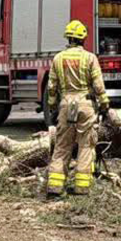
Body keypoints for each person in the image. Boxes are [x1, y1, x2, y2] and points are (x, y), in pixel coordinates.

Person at [45, 20, 109, 198]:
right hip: (85, 105)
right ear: (83, 39)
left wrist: (52, 106)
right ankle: (82, 188)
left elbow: (51, 86)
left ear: (68, 38)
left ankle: (55, 186)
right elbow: (98, 85)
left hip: (66, 104)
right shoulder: (90, 58)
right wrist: (104, 104)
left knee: (62, 146)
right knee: (86, 146)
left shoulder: (58, 58)